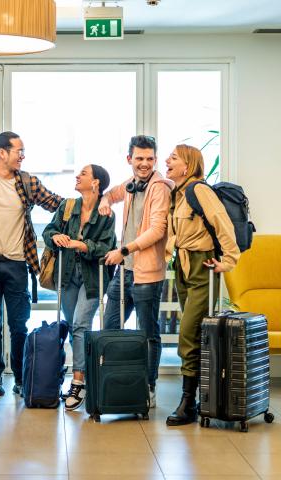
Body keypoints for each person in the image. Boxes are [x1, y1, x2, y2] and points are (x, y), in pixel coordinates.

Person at [0, 131, 63, 401]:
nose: (23, 156)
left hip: (18, 265)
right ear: (2, 152)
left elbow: (56, 203)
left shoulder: (27, 182)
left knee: (19, 326)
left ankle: (20, 377)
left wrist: (92, 204)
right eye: (19, 150)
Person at [165, 144, 240, 426]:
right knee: (194, 332)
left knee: (187, 332)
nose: (167, 161)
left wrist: (228, 260)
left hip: (203, 266)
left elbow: (222, 224)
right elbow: (177, 233)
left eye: (174, 158)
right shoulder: (179, 194)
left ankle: (187, 402)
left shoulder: (200, 191)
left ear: (188, 165)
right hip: (184, 267)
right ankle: (196, 400)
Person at [99, 135, 173, 408]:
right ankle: (113, 381)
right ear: (129, 159)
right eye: (139, 158)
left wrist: (124, 251)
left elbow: (157, 230)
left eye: (150, 159)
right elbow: (112, 193)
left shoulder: (160, 188)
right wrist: (106, 200)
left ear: (155, 159)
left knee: (148, 333)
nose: (145, 164)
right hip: (125, 272)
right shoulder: (131, 184)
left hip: (146, 274)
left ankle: (148, 387)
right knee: (110, 327)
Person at [43, 165, 116, 411]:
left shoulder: (106, 213)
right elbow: (48, 231)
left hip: (93, 278)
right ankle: (88, 375)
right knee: (76, 328)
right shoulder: (67, 207)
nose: (77, 176)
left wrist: (82, 245)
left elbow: (107, 247)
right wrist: (55, 237)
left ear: (96, 182)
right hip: (67, 276)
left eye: (83, 174)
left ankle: (78, 382)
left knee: (81, 324)